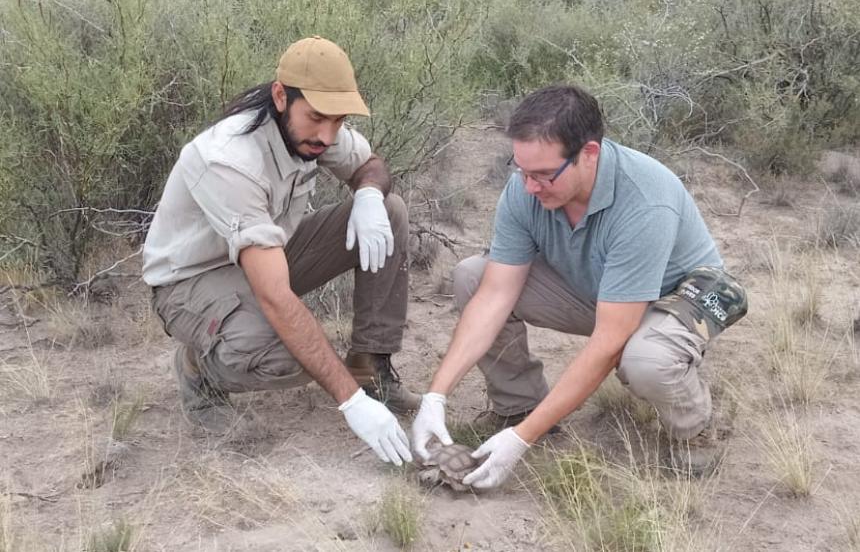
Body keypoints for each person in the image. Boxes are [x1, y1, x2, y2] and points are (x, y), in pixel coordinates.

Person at [411, 84, 748, 488]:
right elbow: (494, 295)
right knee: (472, 275)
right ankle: (520, 406)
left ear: (589, 153)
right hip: (604, 290)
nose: (529, 187)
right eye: (521, 171)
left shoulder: (644, 201)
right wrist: (436, 397)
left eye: (542, 175)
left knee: (646, 360)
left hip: (680, 296)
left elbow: (609, 341)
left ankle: (695, 427)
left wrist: (523, 441)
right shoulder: (526, 189)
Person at [142, 36, 418, 466]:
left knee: (390, 210)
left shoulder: (315, 129)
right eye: (317, 118)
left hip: (268, 254)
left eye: (339, 120)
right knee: (296, 357)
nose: (327, 135)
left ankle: (371, 371)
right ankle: (199, 370)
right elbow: (275, 296)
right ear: (280, 96)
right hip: (190, 282)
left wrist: (366, 194)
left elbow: (371, 165)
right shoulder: (230, 159)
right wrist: (349, 403)